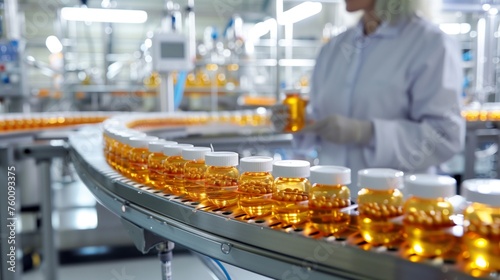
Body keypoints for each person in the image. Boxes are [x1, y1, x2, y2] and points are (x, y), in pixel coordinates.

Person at [272, 0, 465, 195]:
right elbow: (319, 119)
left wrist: (367, 133)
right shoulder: (335, 48)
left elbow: (445, 136)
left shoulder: (430, 44)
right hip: (331, 202)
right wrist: (299, 122)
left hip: (396, 206)